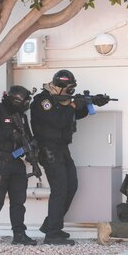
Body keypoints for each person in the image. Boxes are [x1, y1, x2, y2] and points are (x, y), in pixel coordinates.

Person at [30, 69, 109, 245]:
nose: (70, 92)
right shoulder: (43, 101)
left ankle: (51, 224)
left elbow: (73, 116)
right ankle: (53, 234)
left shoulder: (63, 100)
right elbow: (58, 120)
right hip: (49, 150)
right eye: (68, 88)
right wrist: (74, 105)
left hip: (62, 149)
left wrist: (90, 104)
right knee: (60, 189)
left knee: (71, 186)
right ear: (59, 87)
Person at [0, 85, 38, 245]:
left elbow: (28, 136)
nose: (26, 105)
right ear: (15, 100)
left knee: (18, 201)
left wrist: (31, 149)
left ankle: (19, 234)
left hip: (16, 161)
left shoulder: (21, 116)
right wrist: (11, 134)